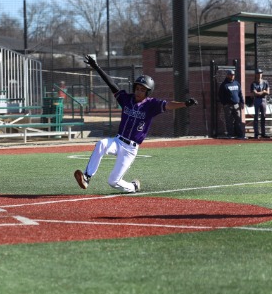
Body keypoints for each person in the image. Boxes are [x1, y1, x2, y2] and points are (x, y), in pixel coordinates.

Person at [74, 55, 197, 193]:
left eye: (142, 89)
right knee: (101, 144)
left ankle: (133, 186)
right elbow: (112, 84)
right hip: (118, 141)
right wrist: (96, 67)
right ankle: (87, 177)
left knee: (113, 181)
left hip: (130, 149)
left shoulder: (151, 105)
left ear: (148, 92)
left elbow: (168, 105)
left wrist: (184, 104)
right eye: (137, 88)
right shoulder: (126, 99)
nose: (138, 91)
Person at [218, 69, 245, 139]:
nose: (232, 76)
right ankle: (230, 134)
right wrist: (224, 103)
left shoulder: (236, 83)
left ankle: (240, 135)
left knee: (238, 120)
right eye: (231, 75)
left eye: (233, 75)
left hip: (236, 105)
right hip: (228, 106)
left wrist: (242, 102)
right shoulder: (224, 85)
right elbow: (220, 95)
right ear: (227, 75)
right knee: (229, 120)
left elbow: (240, 94)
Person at [250, 68, 270, 139]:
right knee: (256, 117)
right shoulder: (253, 83)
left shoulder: (265, 82)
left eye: (260, 73)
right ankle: (256, 134)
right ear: (256, 74)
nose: (259, 75)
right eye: (258, 73)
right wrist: (263, 92)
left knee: (263, 117)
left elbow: (268, 92)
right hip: (257, 100)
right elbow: (255, 93)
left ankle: (263, 133)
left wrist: (263, 92)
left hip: (263, 100)